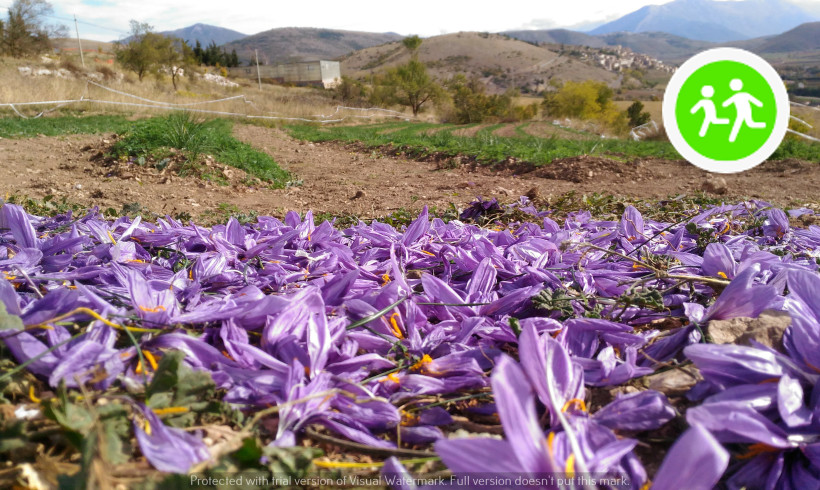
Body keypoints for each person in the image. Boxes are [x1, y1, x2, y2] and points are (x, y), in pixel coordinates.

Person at [722, 78, 766, 143]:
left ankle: (732, 138)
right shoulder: (742, 95)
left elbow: (725, 103)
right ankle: (763, 125)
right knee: (748, 123)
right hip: (744, 112)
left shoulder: (737, 96)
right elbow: (755, 101)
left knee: (744, 123)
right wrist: (759, 104)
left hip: (744, 112)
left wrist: (759, 104)